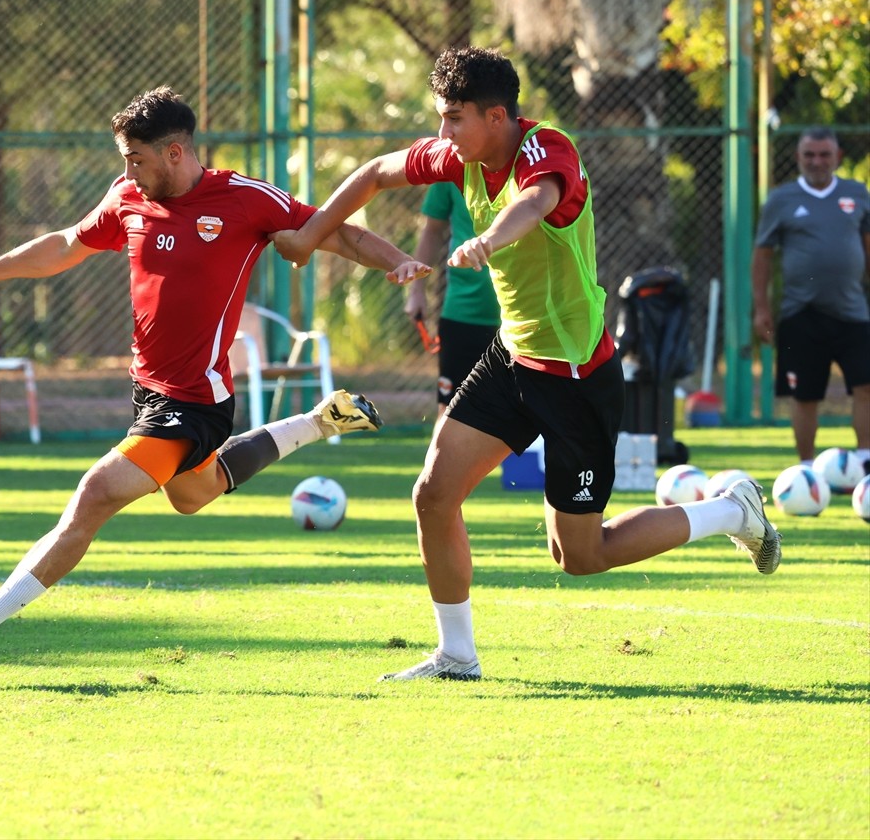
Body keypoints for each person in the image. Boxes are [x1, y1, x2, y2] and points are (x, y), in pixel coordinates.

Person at [272, 46, 782, 682]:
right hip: (512, 360)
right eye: (440, 118)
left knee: (581, 556)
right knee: (433, 494)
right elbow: (377, 173)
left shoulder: (549, 149)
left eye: (453, 118)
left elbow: (536, 202)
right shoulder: (459, 155)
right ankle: (457, 656)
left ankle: (732, 511)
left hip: (576, 378)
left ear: (496, 116)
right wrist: (310, 232)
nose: (442, 134)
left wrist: (487, 240)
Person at [0, 86, 431, 660]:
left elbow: (336, 232)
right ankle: (321, 422)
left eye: (136, 158)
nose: (127, 170)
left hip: (195, 399)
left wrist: (399, 261)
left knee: (94, 495)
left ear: (175, 153)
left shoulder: (244, 199)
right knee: (194, 494)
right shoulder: (127, 196)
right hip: (148, 391)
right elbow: (67, 243)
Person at [752, 127, 870, 472]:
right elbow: (762, 256)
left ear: (838, 157)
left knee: (866, 385)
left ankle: (865, 462)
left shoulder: (857, 194)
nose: (817, 162)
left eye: (824, 155)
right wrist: (761, 309)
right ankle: (806, 468)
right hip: (800, 312)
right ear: (798, 157)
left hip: (853, 311)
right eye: (809, 155)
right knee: (804, 395)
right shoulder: (781, 200)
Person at [405, 181, 500, 421]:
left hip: (527, 315)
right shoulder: (448, 162)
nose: (447, 140)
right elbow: (432, 229)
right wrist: (416, 290)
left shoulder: (534, 155)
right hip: (464, 312)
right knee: (451, 412)